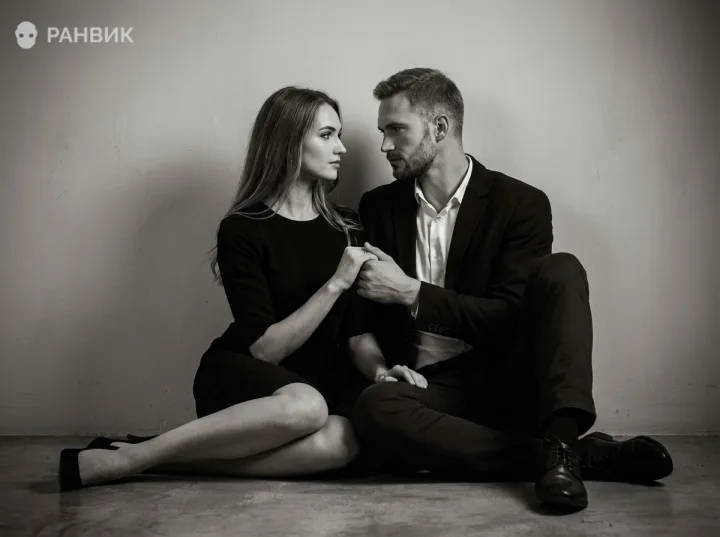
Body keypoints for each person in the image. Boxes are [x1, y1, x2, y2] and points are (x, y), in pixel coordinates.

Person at [348, 68, 674, 511]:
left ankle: (560, 437)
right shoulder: (378, 207)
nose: (385, 145)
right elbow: (361, 318)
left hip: (507, 379)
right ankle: (567, 456)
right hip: (432, 389)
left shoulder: (520, 204)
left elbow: (507, 316)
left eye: (396, 129)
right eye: (382, 131)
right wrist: (383, 371)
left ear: (440, 128)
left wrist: (413, 293)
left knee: (562, 269)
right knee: (373, 407)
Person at [58, 86, 377, 491]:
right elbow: (266, 350)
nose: (341, 148)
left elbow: (357, 334)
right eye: (327, 135)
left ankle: (147, 456)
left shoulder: (347, 227)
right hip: (247, 376)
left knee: (342, 441)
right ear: (288, 142)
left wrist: (382, 372)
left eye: (339, 134)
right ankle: (126, 462)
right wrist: (336, 284)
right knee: (308, 407)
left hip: (317, 380)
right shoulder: (242, 229)